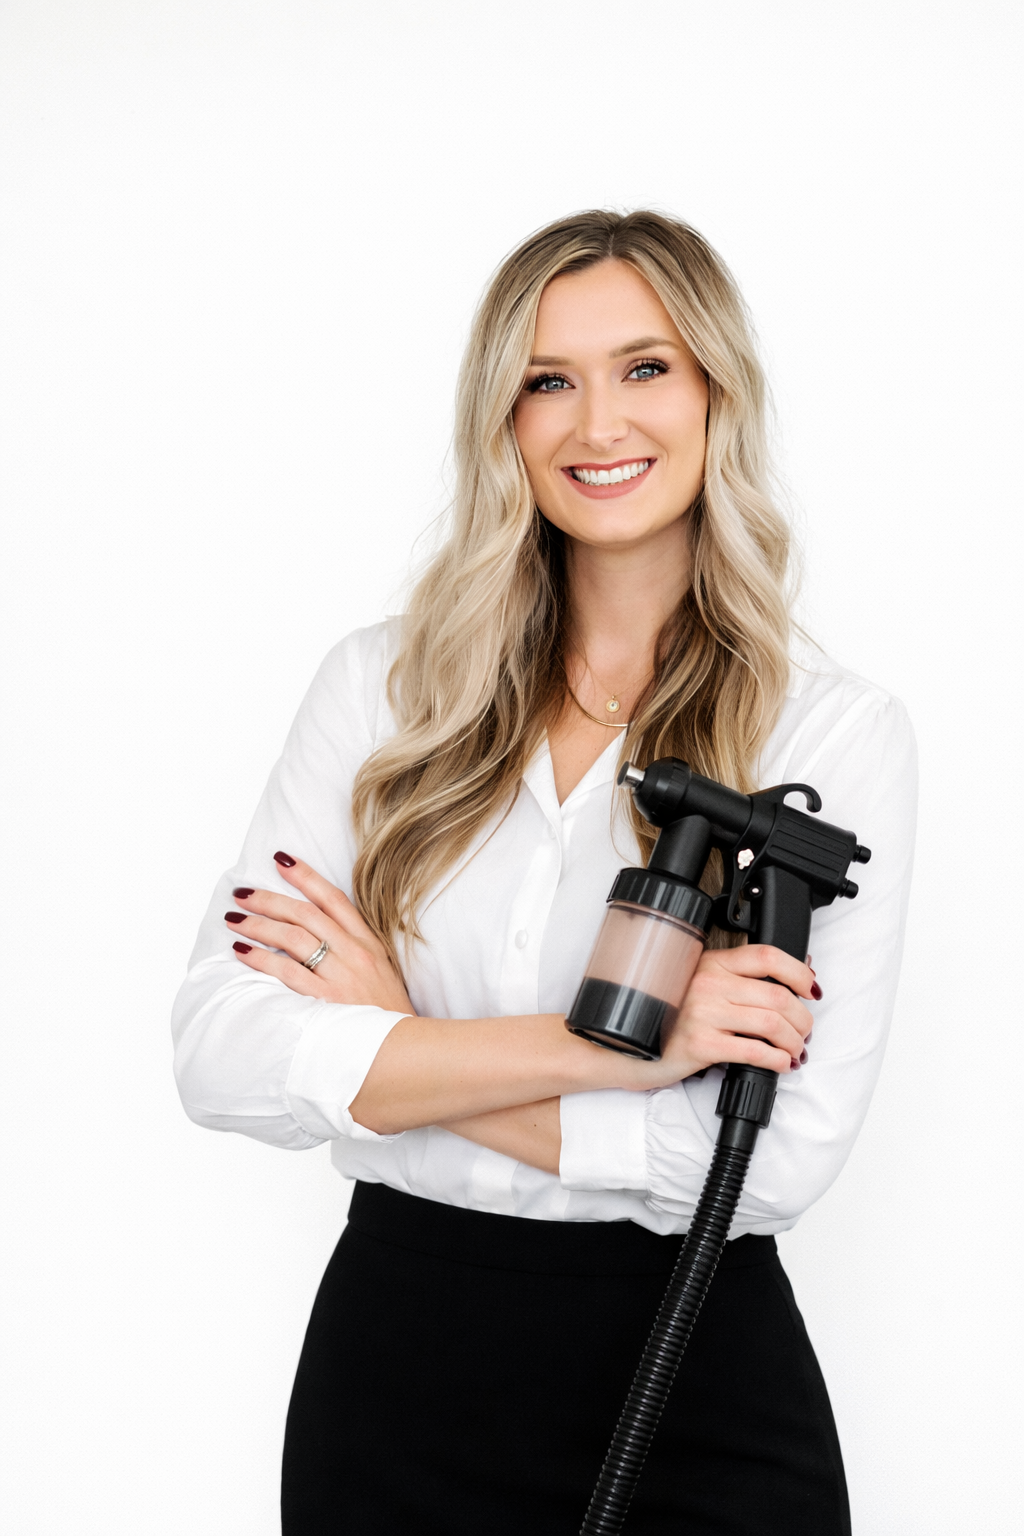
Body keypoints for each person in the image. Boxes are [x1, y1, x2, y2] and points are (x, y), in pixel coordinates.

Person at [172, 209, 916, 1536]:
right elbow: (225, 1056)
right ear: (502, 419)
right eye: (547, 380)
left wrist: (394, 1048)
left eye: (645, 368)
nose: (596, 425)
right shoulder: (383, 691)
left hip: (700, 1382)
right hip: (401, 1383)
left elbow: (766, 1168)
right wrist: (617, 1048)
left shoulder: (831, 738)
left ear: (714, 395)